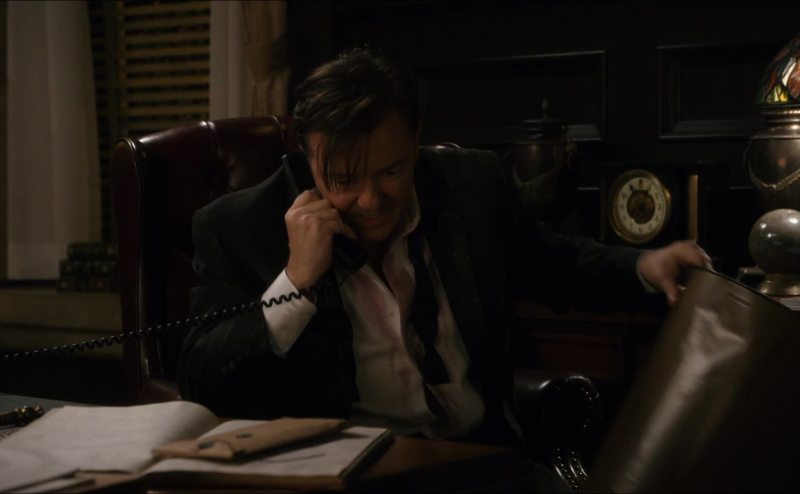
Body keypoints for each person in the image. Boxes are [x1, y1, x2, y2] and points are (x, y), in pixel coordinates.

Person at [178, 48, 709, 448]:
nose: (370, 201)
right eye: (343, 179)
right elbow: (202, 378)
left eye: (391, 171)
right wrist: (296, 280)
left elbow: (554, 263)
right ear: (305, 155)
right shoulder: (239, 227)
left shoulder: (469, 183)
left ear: (416, 140)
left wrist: (645, 264)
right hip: (349, 471)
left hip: (481, 456)